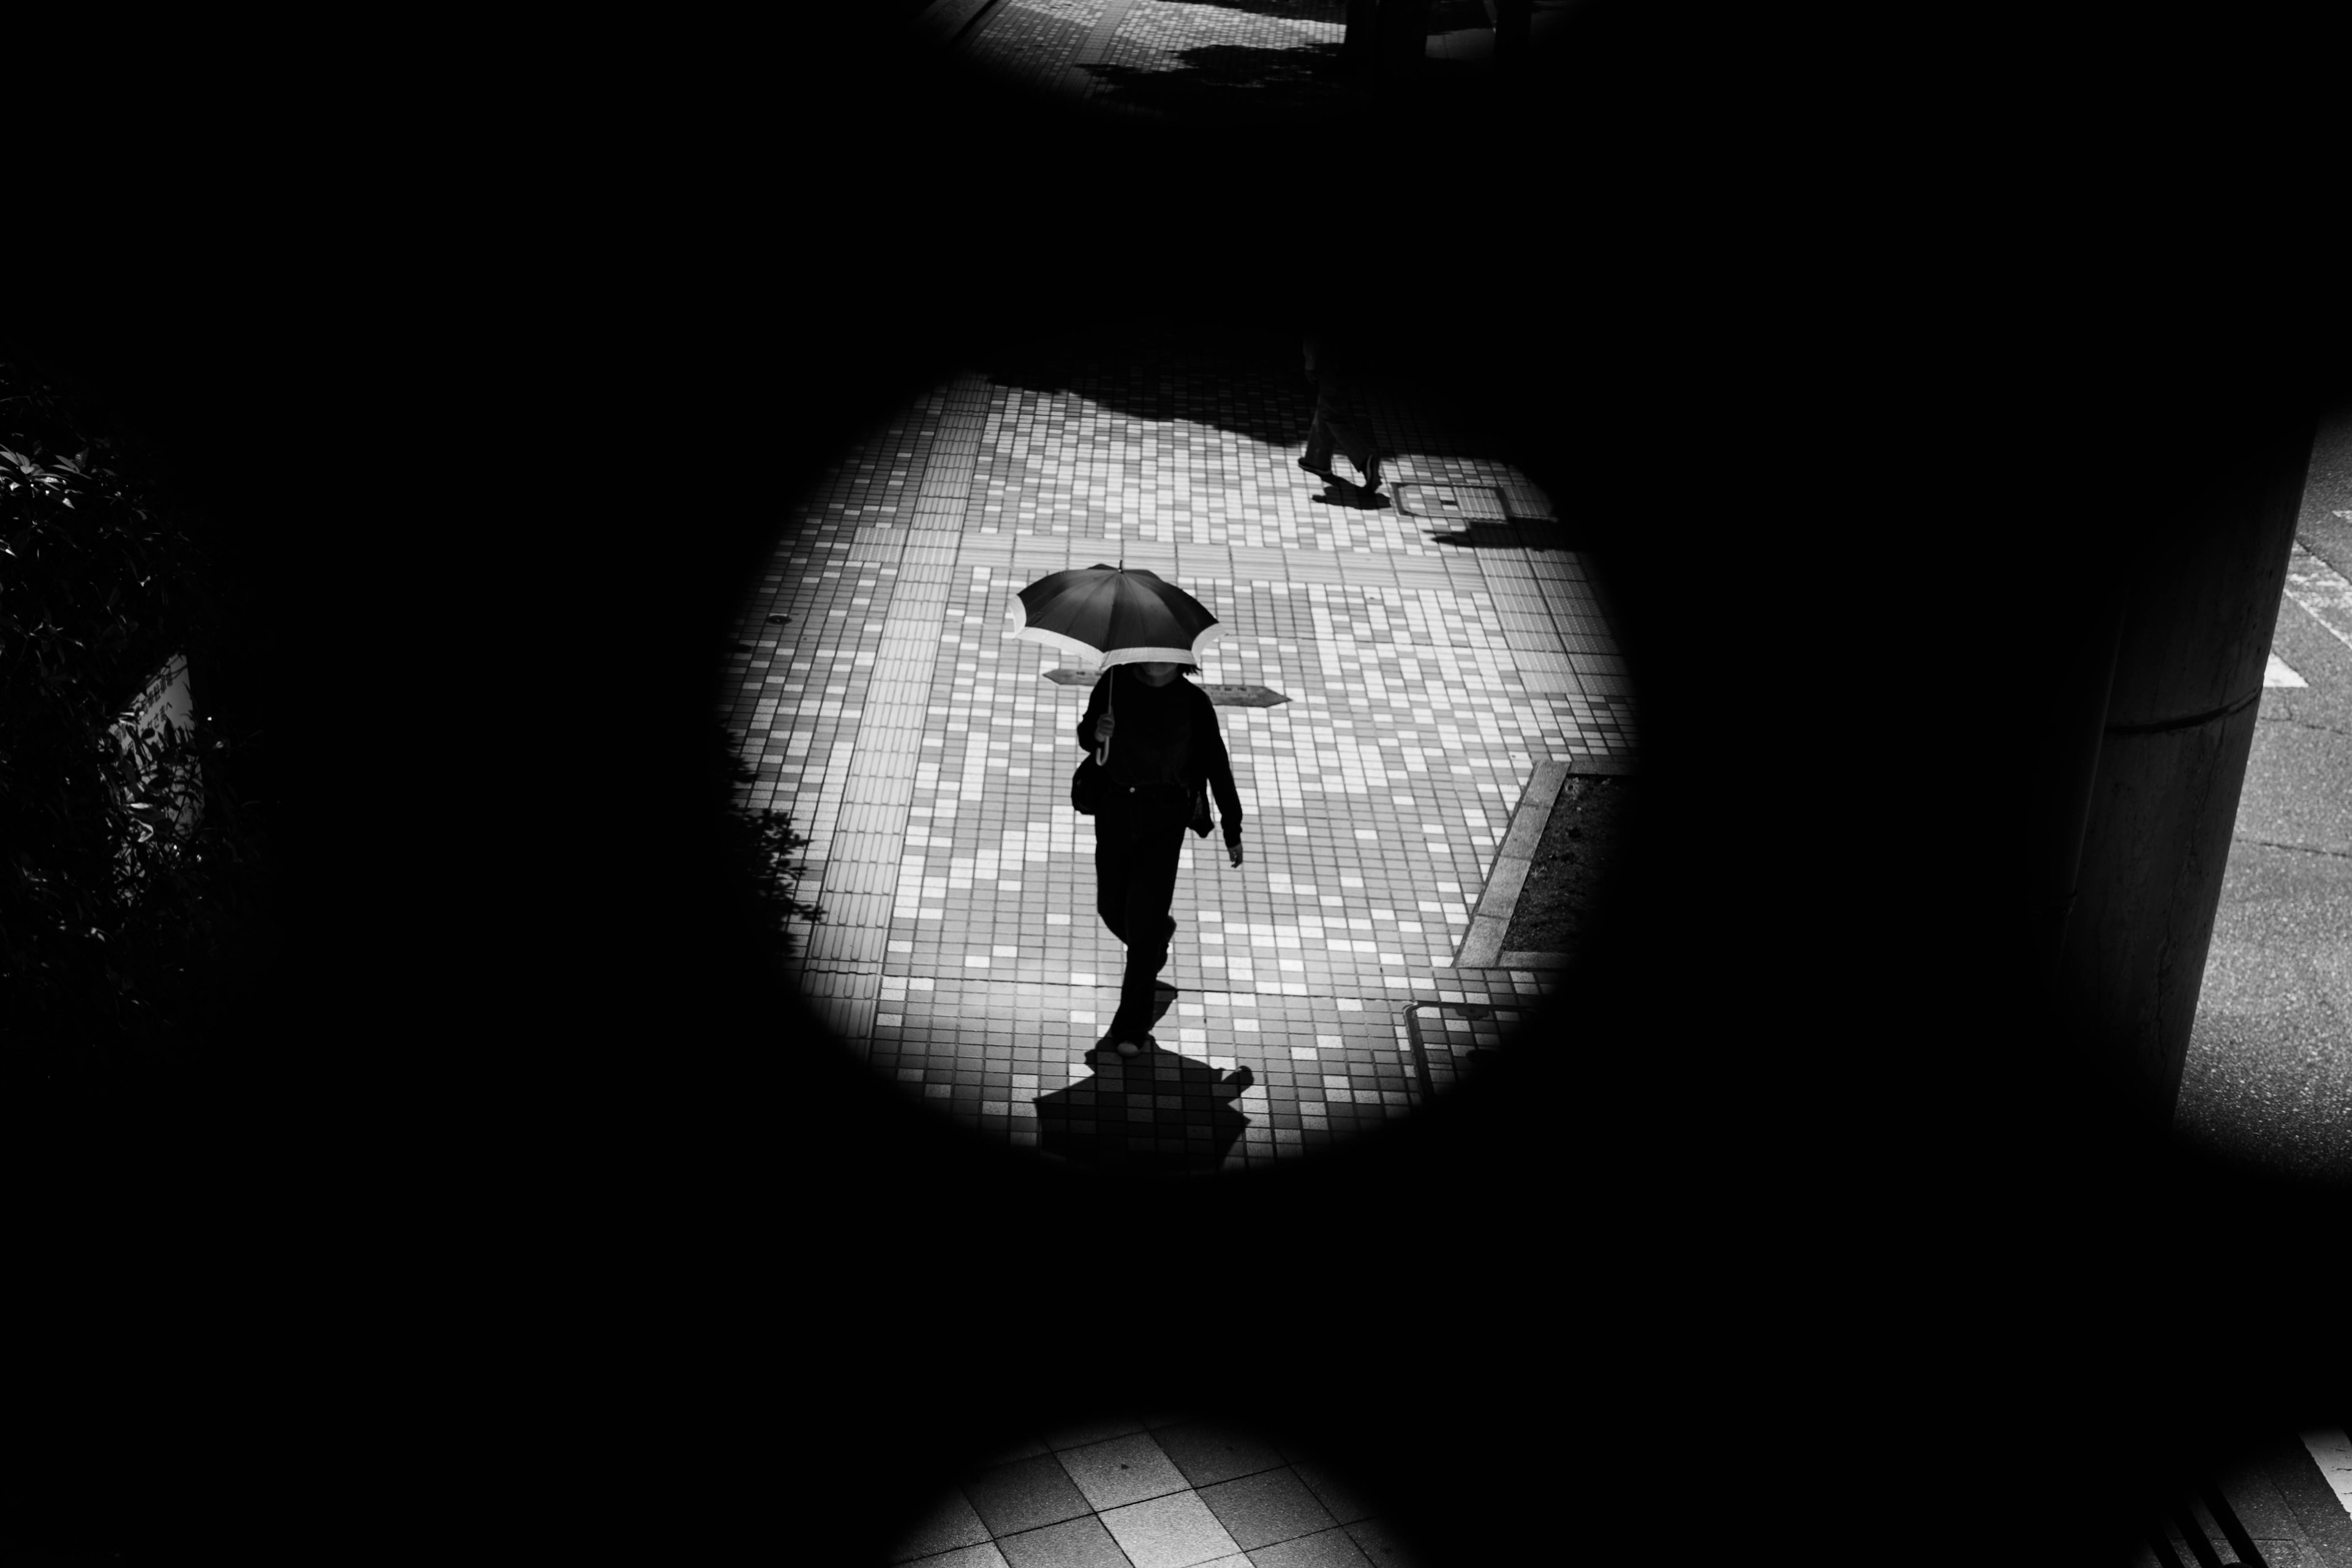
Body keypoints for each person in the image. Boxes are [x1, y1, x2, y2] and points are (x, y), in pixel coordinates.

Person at [1077, 659, 1245, 1058]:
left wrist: (1232, 827)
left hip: (1164, 817)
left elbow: (1217, 765)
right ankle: (1157, 936)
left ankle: (1130, 1028)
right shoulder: (1115, 682)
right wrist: (1096, 732)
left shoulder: (1194, 703)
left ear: (1183, 660)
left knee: (1142, 926)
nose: (1155, 661)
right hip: (1116, 810)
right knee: (1111, 908)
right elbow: (1087, 737)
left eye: (1166, 654)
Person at [1299, 332, 1382, 497]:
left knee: (1332, 412)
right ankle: (1317, 460)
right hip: (1349, 355)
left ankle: (1366, 458)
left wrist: (1310, 362)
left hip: (1331, 357)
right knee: (1327, 405)